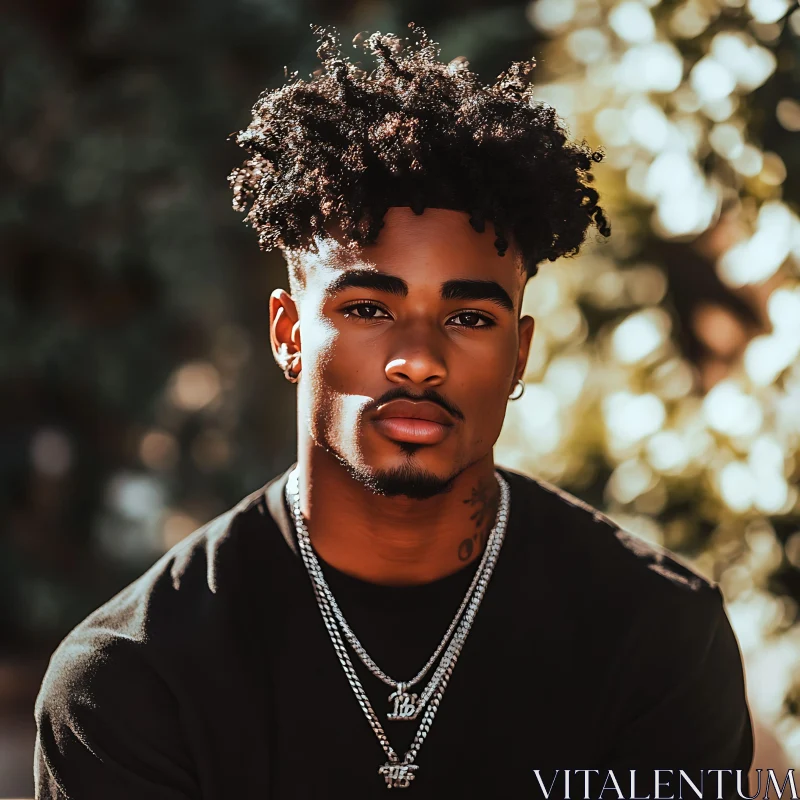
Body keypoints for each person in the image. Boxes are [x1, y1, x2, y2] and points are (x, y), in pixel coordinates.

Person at [34, 23, 752, 799]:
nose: (420, 357)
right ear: (288, 335)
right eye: (371, 307)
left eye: (471, 317)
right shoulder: (131, 679)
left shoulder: (657, 638)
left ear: (520, 353)